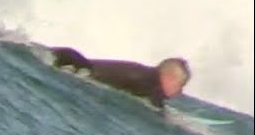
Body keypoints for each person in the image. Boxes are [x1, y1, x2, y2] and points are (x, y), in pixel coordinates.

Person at [48, 46, 191, 110]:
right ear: (169, 78)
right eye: (180, 85)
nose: (179, 92)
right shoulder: (151, 84)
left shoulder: (143, 72)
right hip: (77, 69)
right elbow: (156, 110)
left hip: (72, 60)